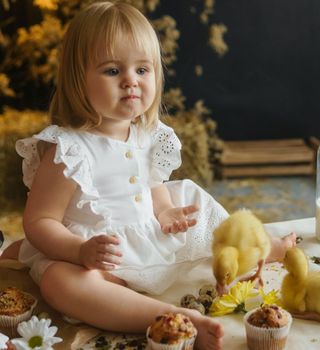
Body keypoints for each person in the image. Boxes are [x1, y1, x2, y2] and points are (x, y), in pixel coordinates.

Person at [0, 2, 295, 349]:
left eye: (143, 69)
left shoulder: (147, 134)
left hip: (147, 234)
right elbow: (40, 221)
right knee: (58, 283)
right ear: (78, 79)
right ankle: (172, 319)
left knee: (193, 199)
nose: (131, 81)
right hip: (96, 252)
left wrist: (166, 210)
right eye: (112, 71)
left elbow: (152, 182)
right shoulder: (69, 149)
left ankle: (262, 248)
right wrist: (80, 252)